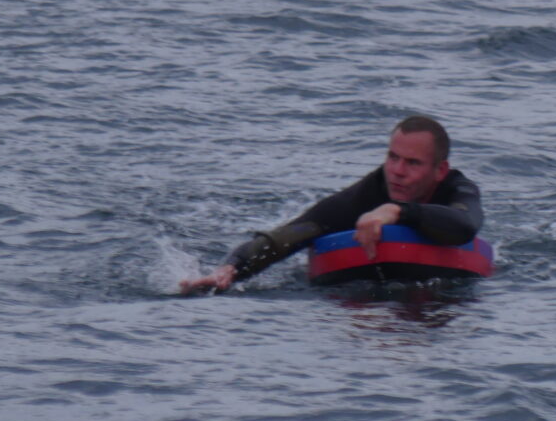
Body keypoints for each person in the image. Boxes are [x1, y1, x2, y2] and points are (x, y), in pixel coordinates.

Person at [180, 115, 483, 294]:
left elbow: (466, 226)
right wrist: (231, 270)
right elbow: (292, 235)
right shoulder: (365, 195)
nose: (397, 171)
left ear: (439, 171)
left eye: (412, 163)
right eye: (392, 157)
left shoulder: (457, 188)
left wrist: (397, 211)